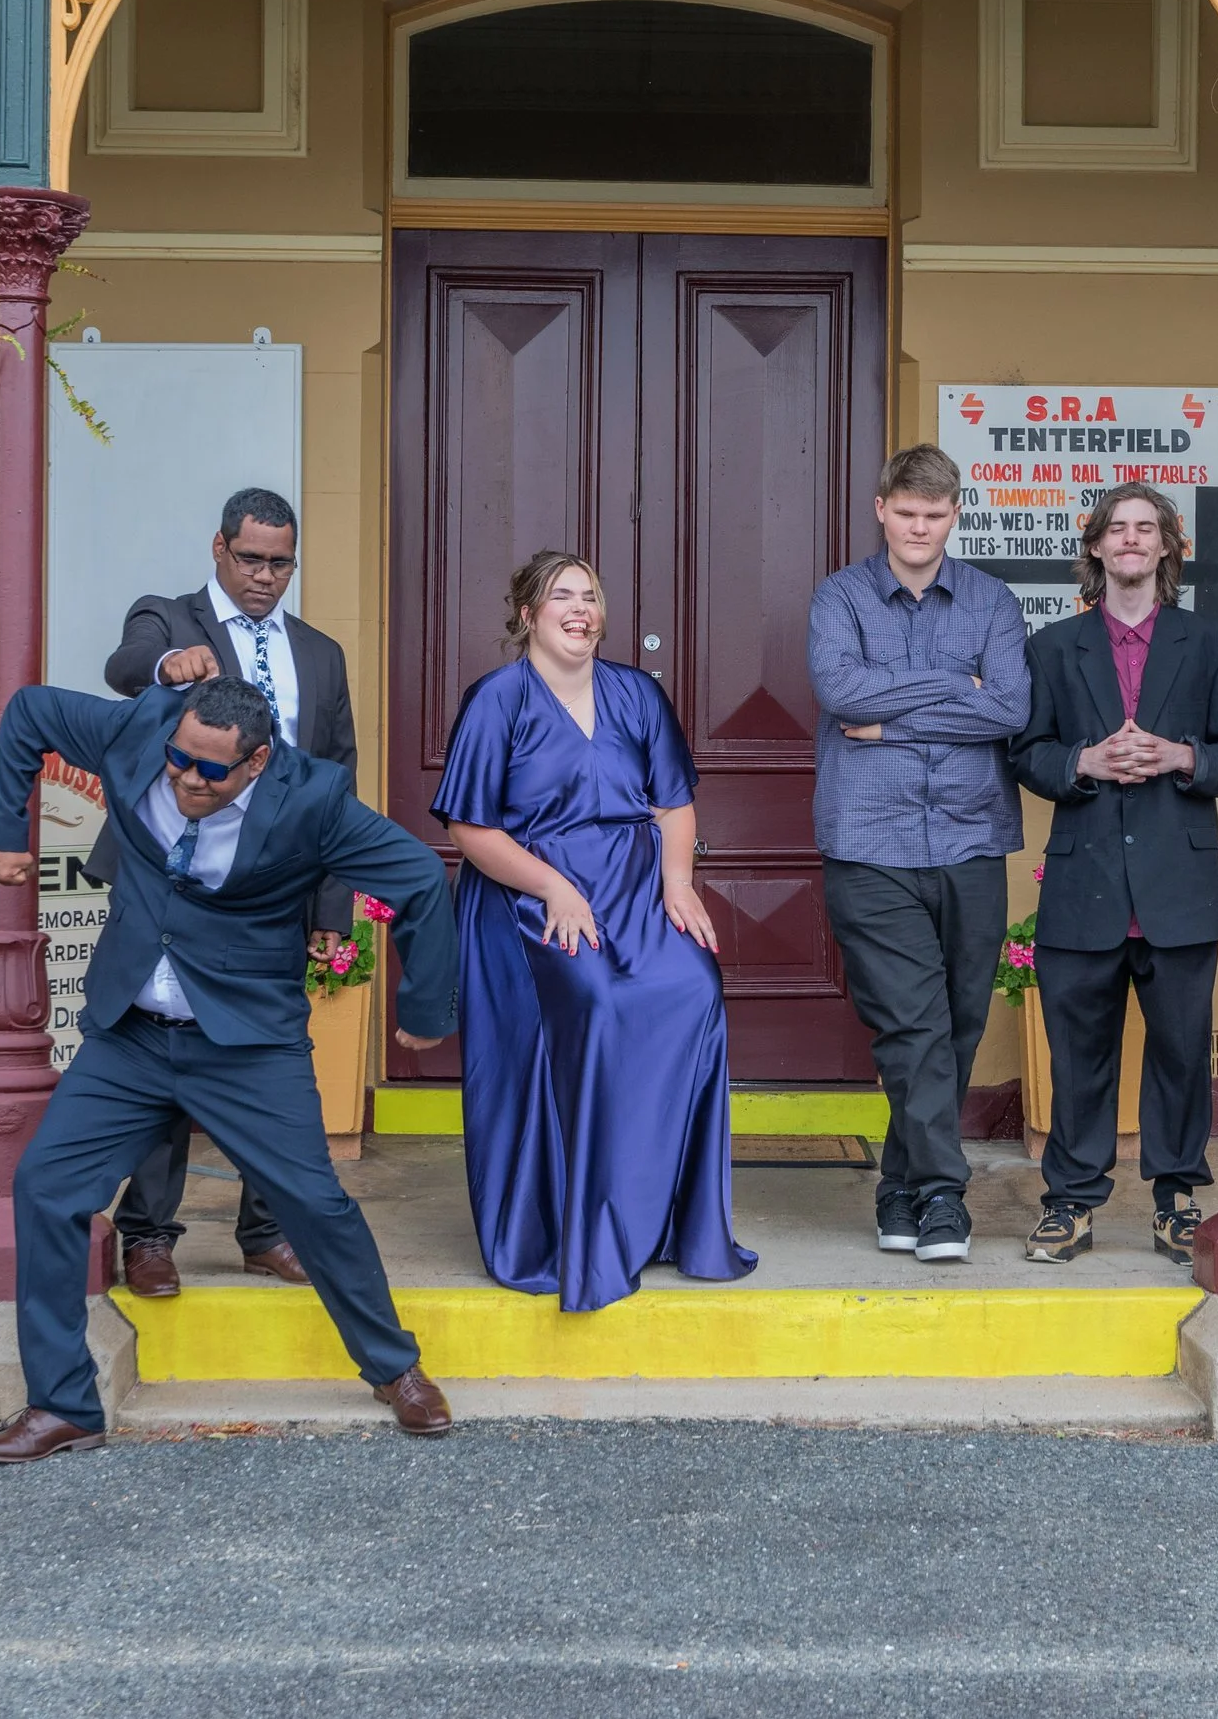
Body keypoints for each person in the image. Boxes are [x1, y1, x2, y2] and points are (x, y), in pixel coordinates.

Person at [0, 675, 463, 1464]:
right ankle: (62, 1405)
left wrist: (426, 1013)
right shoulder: (140, 734)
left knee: (314, 1202)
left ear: (257, 761)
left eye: (211, 771)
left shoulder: (313, 800)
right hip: (130, 1032)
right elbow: (25, 713)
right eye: (178, 761)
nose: (188, 779)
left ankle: (394, 1367)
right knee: (47, 1187)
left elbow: (422, 880)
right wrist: (2, 831)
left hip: (246, 1044)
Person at [432, 551, 756, 1312]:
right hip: (529, 896)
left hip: (633, 890)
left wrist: (677, 884)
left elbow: (674, 803)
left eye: (590, 596)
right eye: (561, 596)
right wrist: (553, 886)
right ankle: (578, 1223)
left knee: (693, 987)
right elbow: (469, 826)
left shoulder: (636, 693)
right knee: (599, 1004)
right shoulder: (497, 700)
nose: (580, 609)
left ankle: (663, 1219)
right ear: (527, 616)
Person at [95, 487, 359, 1296]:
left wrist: (329, 909)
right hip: (171, 882)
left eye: (281, 563)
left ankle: (266, 1231)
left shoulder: (319, 653)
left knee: (266, 1063)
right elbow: (124, 665)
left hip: (271, 893)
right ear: (219, 548)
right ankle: (147, 1236)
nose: (266, 576)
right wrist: (165, 666)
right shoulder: (169, 620)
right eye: (251, 559)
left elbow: (336, 787)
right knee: (160, 1054)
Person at [1009, 486, 1218, 1266]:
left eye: (1145, 529)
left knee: (1182, 1049)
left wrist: (1182, 756)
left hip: (1178, 889)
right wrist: (1084, 760)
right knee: (1077, 1052)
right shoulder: (1051, 647)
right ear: (1095, 547)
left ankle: (1177, 1199)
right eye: (1116, 528)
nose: (1130, 540)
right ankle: (1070, 1204)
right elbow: (1026, 753)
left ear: (1167, 548)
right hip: (1084, 886)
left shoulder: (1215, 643)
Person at [808, 443, 1031, 1263]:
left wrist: (894, 718)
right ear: (881, 509)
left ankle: (897, 1188)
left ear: (955, 515)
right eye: (906, 512)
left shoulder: (992, 603)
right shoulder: (839, 598)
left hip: (971, 837)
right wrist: (954, 686)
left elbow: (1009, 707)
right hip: (870, 841)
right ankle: (942, 1193)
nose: (919, 527)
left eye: (935, 515)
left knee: (959, 1022)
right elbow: (841, 693)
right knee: (912, 1022)